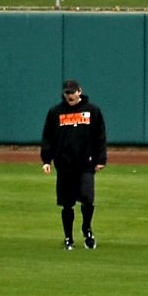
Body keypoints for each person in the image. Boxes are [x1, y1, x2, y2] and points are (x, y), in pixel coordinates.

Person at [40, 79, 108, 250]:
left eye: (72, 92)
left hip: (86, 163)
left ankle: (87, 229)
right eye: (66, 93)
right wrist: (46, 160)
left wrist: (101, 159)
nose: (69, 95)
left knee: (87, 199)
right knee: (67, 203)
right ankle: (68, 237)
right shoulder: (56, 112)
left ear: (79, 91)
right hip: (64, 165)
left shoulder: (92, 111)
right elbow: (48, 137)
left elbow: (100, 136)